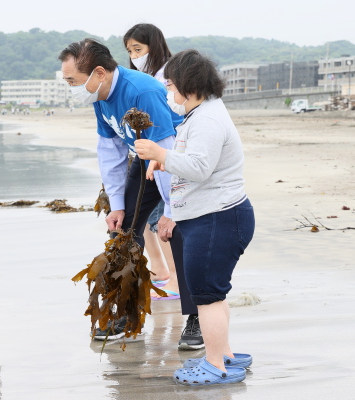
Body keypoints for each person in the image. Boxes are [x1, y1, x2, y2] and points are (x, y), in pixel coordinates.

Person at [135, 49, 255, 385]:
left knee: (206, 295)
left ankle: (215, 364)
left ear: (189, 85)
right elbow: (198, 158)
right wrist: (167, 159)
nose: (169, 94)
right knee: (213, 293)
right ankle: (225, 355)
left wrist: (160, 153)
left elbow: (200, 168)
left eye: (172, 86)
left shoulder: (207, 119)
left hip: (217, 218)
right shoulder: (203, 113)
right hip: (216, 216)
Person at [58, 38, 177, 340]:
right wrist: (116, 204)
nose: (70, 87)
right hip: (142, 160)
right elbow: (109, 151)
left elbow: (168, 152)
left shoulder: (142, 91)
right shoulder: (100, 95)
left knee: (182, 233)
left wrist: (175, 210)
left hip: (176, 161)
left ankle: (196, 321)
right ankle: (125, 316)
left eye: (72, 81)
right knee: (122, 232)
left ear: (99, 72)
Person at [124, 23, 202, 350]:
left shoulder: (167, 75)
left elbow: (172, 122)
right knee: (141, 224)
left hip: (169, 153)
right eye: (129, 51)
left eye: (138, 50)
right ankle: (156, 281)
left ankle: (189, 299)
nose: (134, 56)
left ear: (154, 46)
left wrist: (164, 159)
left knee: (168, 223)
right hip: (147, 156)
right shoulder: (139, 82)